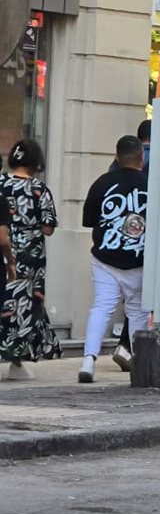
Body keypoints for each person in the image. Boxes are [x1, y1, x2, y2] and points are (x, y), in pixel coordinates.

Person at [79, 136, 149, 384]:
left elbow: (89, 220)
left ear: (117, 157)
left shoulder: (102, 183)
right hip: (139, 259)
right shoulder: (150, 185)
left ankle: (89, 361)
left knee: (101, 307)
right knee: (138, 311)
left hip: (105, 258)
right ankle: (140, 365)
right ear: (141, 156)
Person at [0, 140, 57, 379]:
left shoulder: (1, 183)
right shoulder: (39, 189)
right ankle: (17, 360)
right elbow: (48, 228)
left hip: (4, 249)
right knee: (24, 306)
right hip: (30, 257)